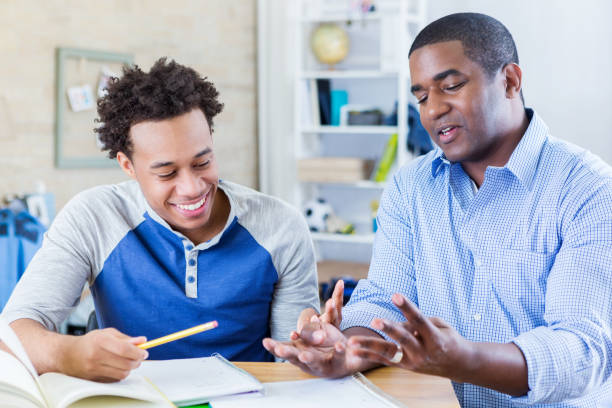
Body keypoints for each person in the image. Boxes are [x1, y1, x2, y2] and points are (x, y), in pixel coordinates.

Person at [263, 12, 612, 406]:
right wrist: (344, 344)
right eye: (422, 97)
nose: (432, 111)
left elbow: (582, 351)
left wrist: (467, 359)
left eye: (450, 86)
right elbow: (382, 301)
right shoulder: (410, 187)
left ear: (511, 81)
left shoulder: (588, 188)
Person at [1, 58, 319, 382]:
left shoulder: (281, 226)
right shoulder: (93, 217)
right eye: (166, 172)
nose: (192, 188)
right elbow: (12, 333)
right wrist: (66, 353)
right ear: (127, 165)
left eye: (202, 162)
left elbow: (292, 367)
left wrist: (315, 349)